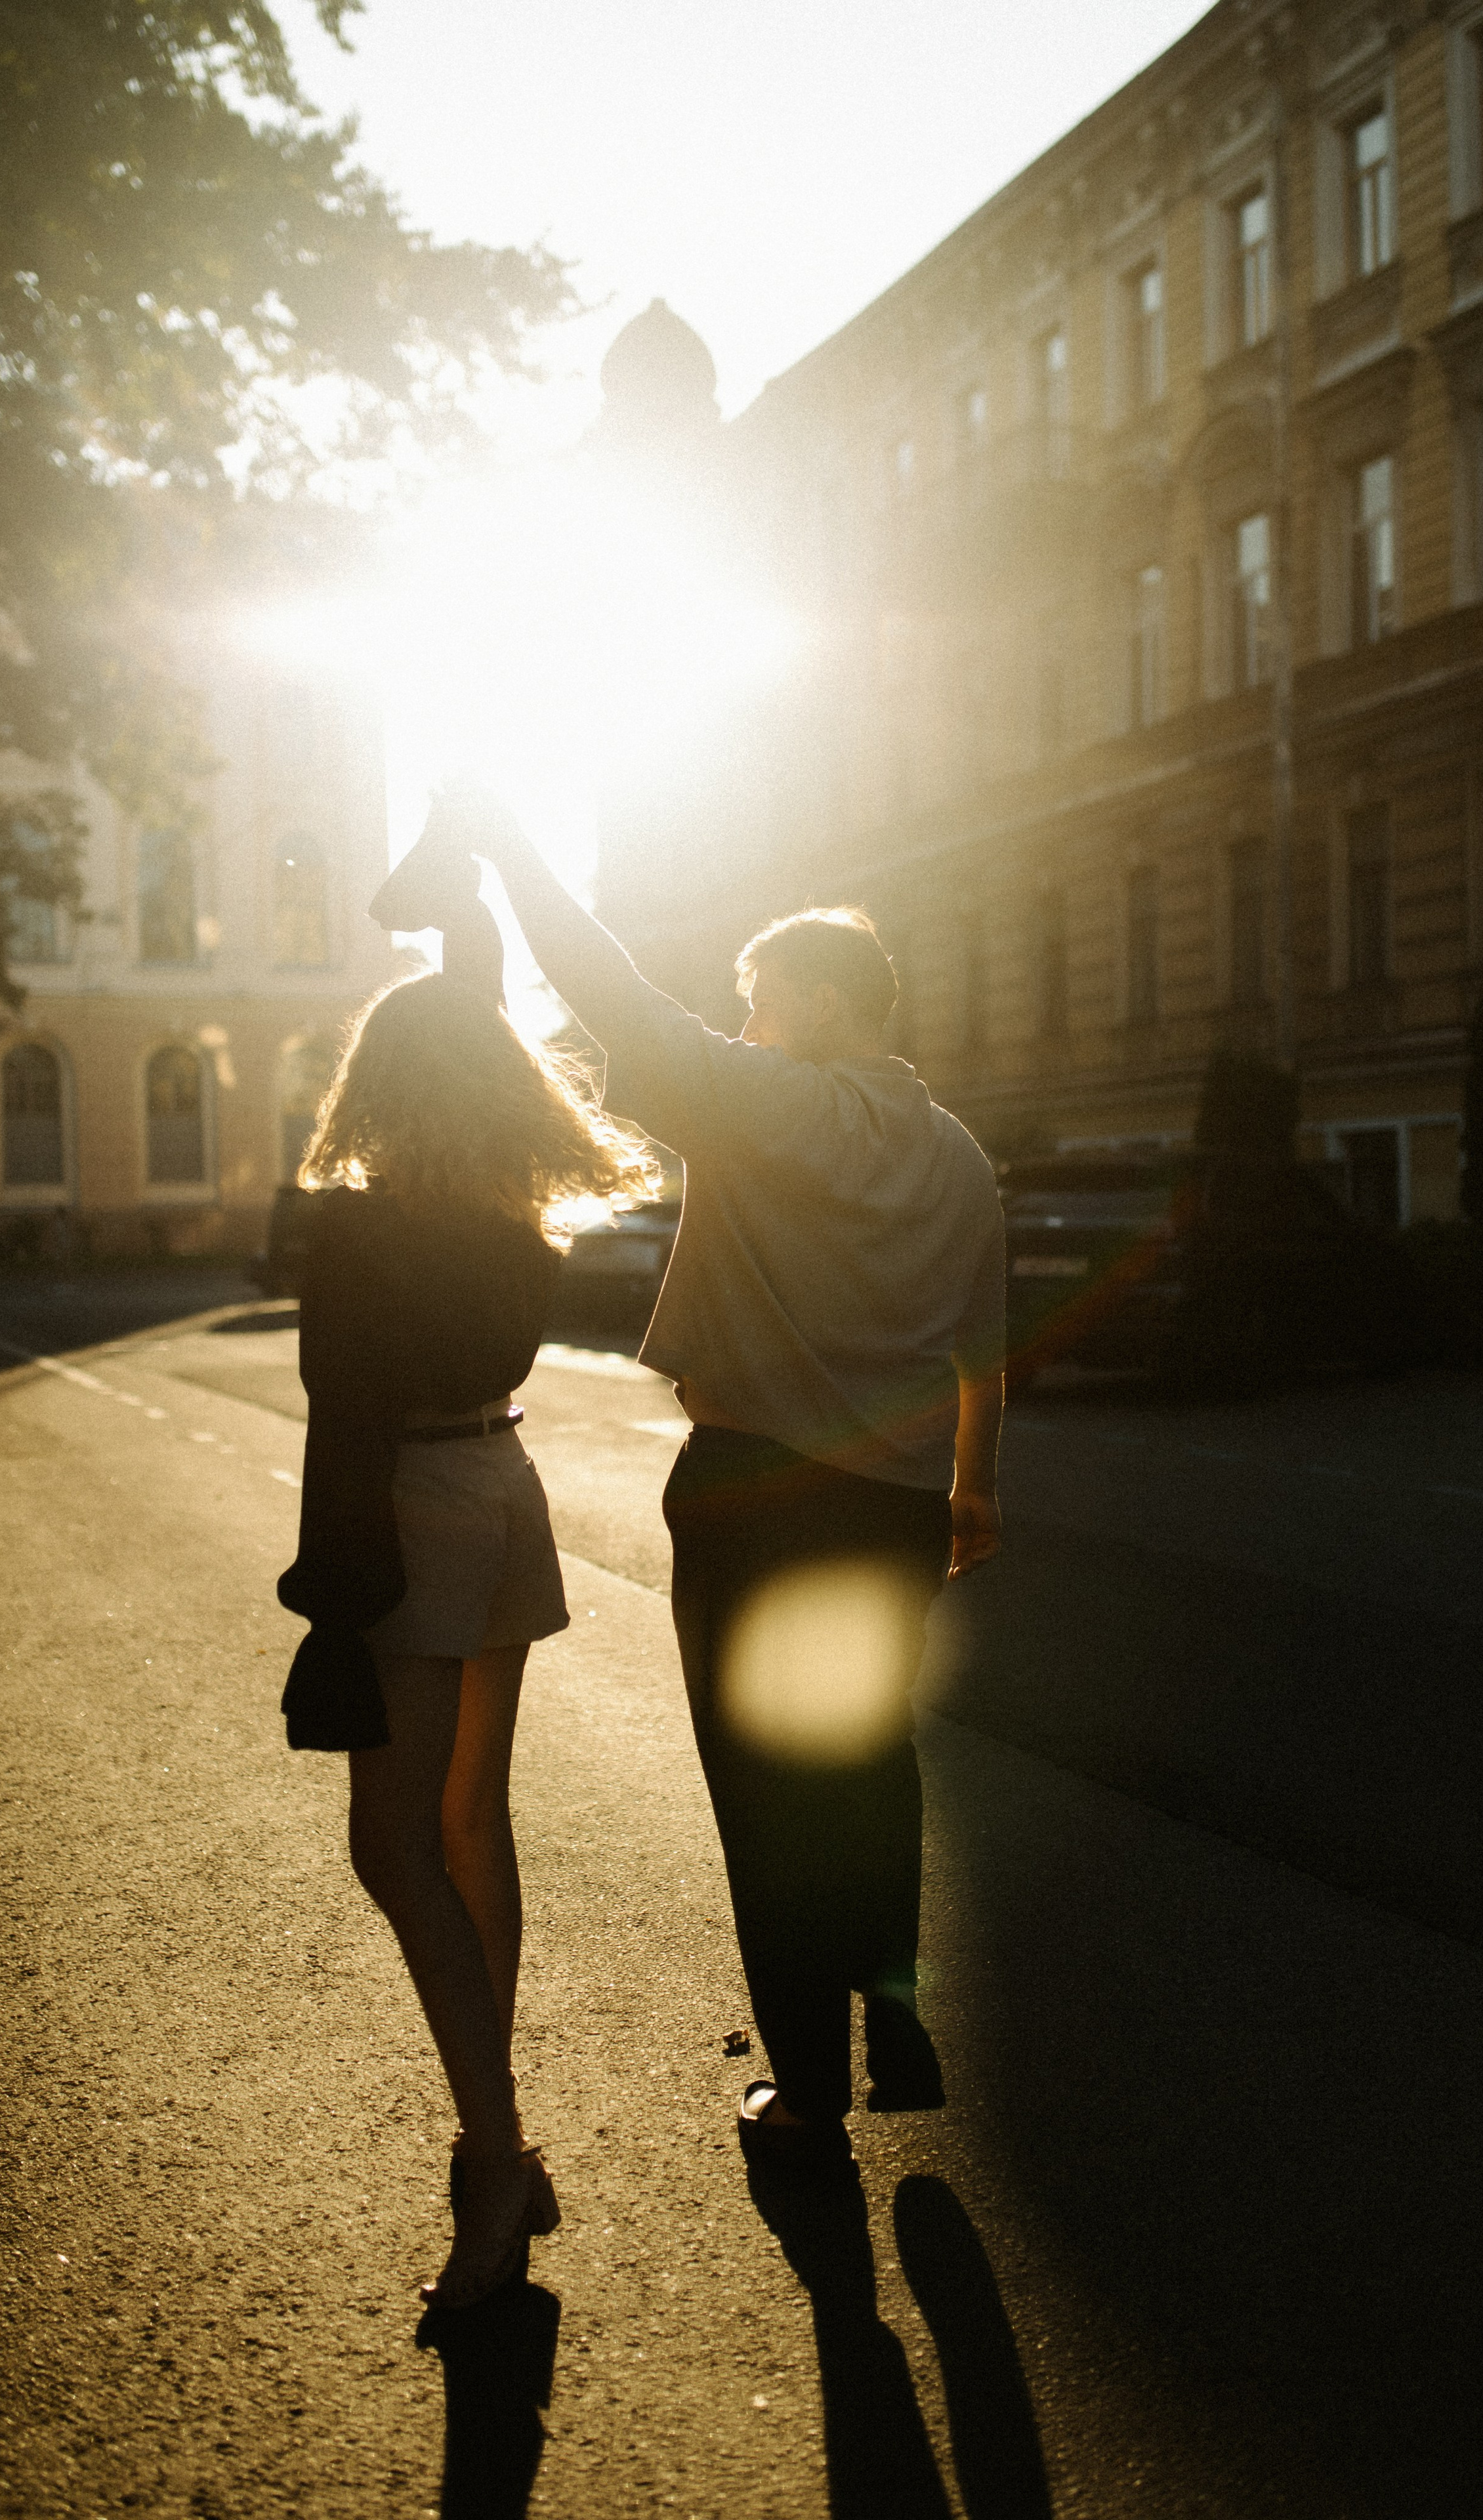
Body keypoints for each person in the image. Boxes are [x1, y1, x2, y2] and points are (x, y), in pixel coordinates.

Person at [374, 789, 1006, 2178]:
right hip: (898, 1507)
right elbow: (979, 1346)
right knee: (866, 1753)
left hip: (759, 1495)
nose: (748, 1017)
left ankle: (808, 2089)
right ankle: (891, 2013)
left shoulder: (770, 1106)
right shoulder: (960, 1157)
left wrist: (516, 854)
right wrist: (971, 1489)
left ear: (828, 999)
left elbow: (615, 997)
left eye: (762, 993)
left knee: (762, 1788)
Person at [275, 861, 658, 2300]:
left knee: (392, 1848)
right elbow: (473, 1012)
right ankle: (498, 2137)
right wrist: (463, 903)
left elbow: (342, 1418)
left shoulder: (359, 1226)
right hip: (504, 1485)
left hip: (414, 1506)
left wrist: (330, 1600)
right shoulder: (517, 1221)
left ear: (376, 1081)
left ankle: (493, 2152)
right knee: (469, 1823)